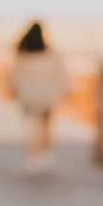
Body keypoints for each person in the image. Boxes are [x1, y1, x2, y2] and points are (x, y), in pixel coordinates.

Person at [10, 20, 70, 175]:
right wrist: (61, 92)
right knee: (45, 126)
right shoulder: (50, 54)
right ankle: (44, 154)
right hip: (46, 95)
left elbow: (14, 75)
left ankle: (33, 156)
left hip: (28, 95)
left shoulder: (23, 53)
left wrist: (15, 90)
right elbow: (60, 75)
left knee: (32, 126)